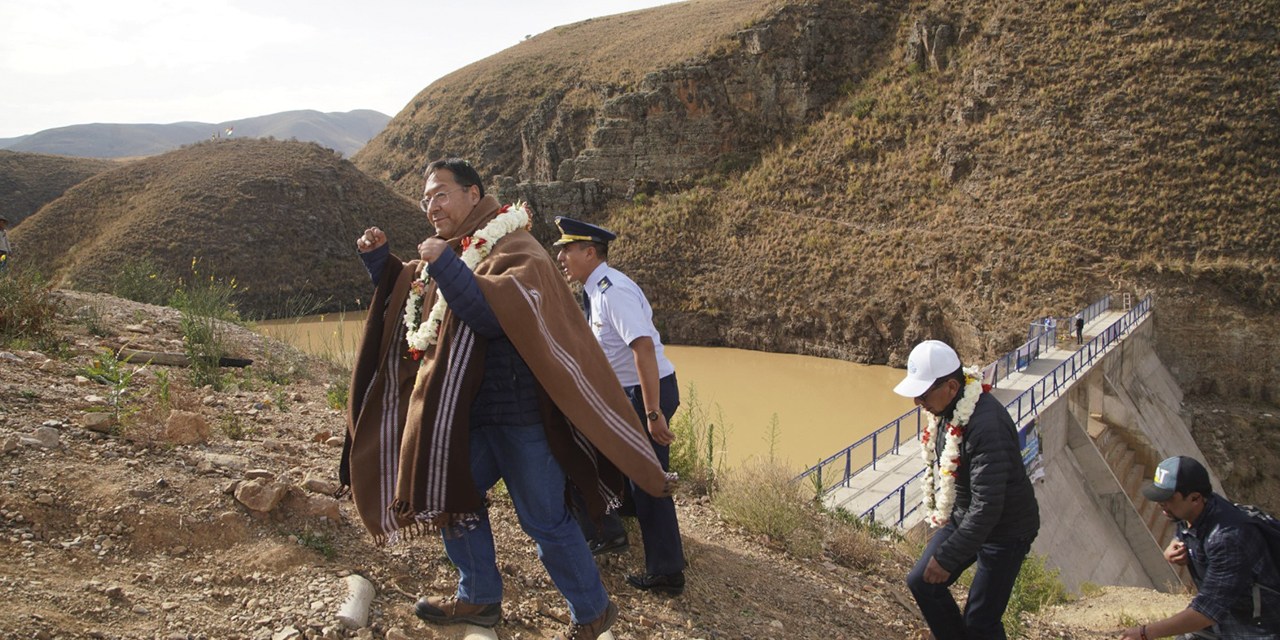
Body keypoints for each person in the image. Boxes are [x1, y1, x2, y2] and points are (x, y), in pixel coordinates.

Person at [341, 158, 671, 640]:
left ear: (474, 194)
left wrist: (447, 264)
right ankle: (478, 596)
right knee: (454, 497)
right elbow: (417, 293)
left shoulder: (517, 245)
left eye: (441, 194)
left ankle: (593, 611)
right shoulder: (454, 249)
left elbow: (490, 315)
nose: (431, 206)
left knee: (544, 521)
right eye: (425, 198)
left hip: (522, 418)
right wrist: (380, 261)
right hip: (471, 415)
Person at [554, 216, 687, 596]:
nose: (561, 256)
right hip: (625, 393)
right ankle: (608, 530)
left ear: (589, 251)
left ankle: (666, 572)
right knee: (591, 457)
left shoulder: (612, 291)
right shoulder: (596, 290)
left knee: (648, 480)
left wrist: (653, 412)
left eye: (567, 249)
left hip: (646, 394)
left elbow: (642, 348)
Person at [895, 340, 1040, 640]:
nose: (917, 403)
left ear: (950, 386)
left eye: (922, 394)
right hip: (968, 517)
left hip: (1006, 531)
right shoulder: (948, 410)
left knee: (980, 621)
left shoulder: (988, 427)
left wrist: (948, 556)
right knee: (922, 581)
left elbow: (988, 505)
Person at [1118, 456, 1280, 640]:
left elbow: (1206, 611)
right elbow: (1183, 525)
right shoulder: (1202, 506)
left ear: (1195, 498)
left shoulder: (1229, 539)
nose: (1160, 503)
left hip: (1257, 631)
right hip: (1227, 621)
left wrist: (1144, 633)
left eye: (1167, 498)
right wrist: (1175, 544)